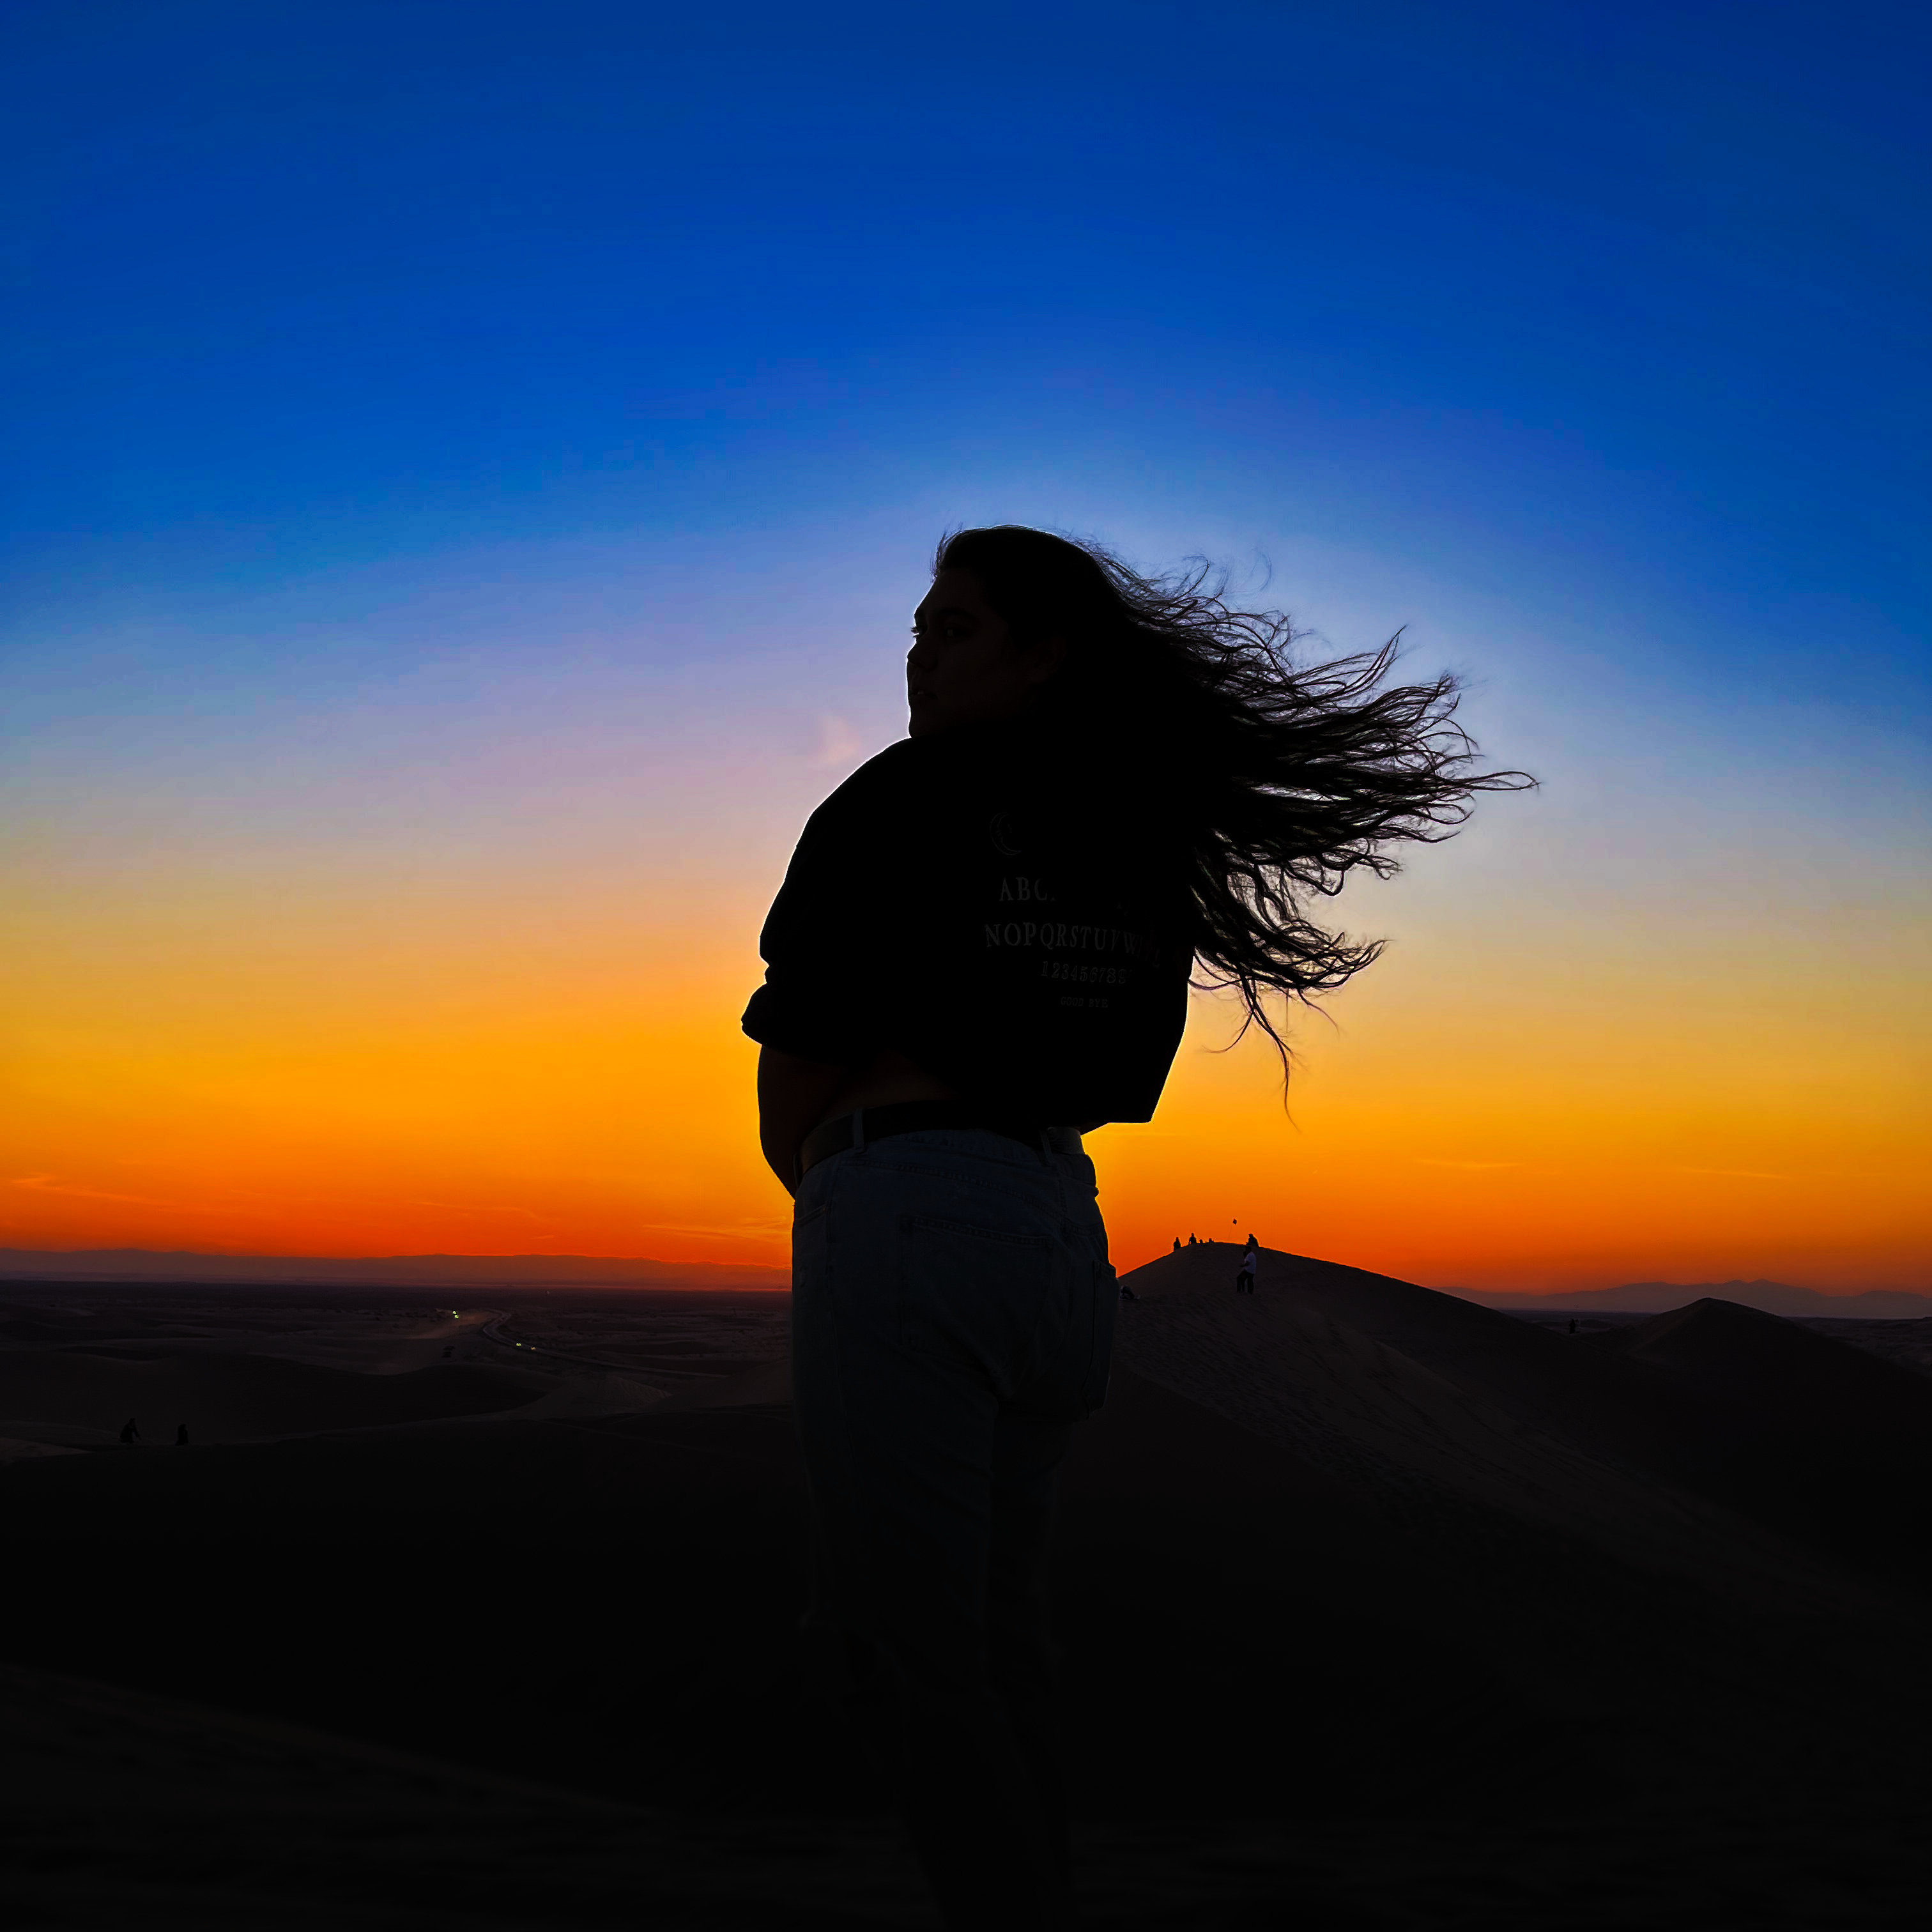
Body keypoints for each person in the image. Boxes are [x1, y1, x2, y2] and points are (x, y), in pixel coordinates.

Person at [744, 524, 1525, 1929]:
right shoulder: (1135, 839)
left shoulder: (906, 799)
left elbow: (804, 1035)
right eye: (919, 630)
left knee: (900, 1646)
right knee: (997, 1643)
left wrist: (827, 1163)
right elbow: (1125, 1060)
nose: (921, 654)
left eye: (959, 629)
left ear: (1047, 658)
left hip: (912, 1209)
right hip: (1056, 1235)